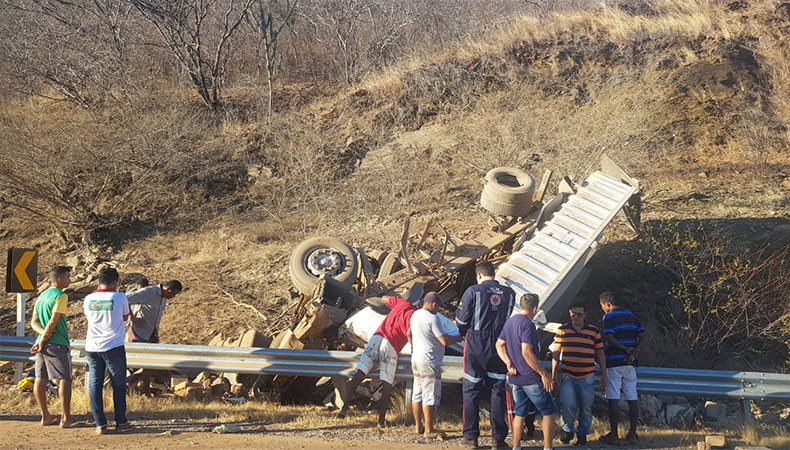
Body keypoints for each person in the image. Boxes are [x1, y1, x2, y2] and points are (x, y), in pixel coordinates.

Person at [456, 261, 516, 449]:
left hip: (476, 343)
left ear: (479, 275)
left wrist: (464, 331)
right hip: (500, 344)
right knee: (497, 389)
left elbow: (461, 322)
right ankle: (498, 439)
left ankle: (471, 437)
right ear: (494, 274)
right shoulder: (509, 293)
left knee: (471, 389)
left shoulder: (473, 291)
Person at [336, 294, 419, 427]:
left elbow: (385, 298)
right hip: (390, 344)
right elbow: (409, 333)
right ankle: (381, 419)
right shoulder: (416, 316)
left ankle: (344, 409)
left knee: (360, 372)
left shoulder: (401, 303)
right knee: (387, 382)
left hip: (377, 337)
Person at [496, 293, 557, 450]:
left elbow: (499, 344)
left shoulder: (510, 322)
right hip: (530, 376)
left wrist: (508, 363)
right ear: (535, 309)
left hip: (516, 377)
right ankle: (548, 447)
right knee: (549, 410)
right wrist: (543, 373)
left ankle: (516, 446)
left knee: (520, 412)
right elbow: (527, 352)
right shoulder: (527, 325)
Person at [407, 291, 463, 439]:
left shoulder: (415, 315)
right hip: (430, 361)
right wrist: (457, 338)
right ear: (433, 304)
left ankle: (418, 425)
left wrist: (415, 347)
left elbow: (408, 334)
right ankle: (429, 429)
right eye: (438, 306)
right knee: (429, 396)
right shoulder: (433, 319)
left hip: (416, 359)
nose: (438, 310)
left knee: (417, 394)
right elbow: (443, 340)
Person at [551, 302, 607, 446]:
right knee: (567, 404)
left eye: (579, 314)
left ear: (585, 316)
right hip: (568, 374)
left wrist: (604, 375)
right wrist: (554, 373)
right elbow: (556, 353)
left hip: (587, 374)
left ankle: (583, 434)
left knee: (586, 407)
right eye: (573, 314)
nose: (575, 317)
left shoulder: (593, 331)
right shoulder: (563, 330)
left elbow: (600, 354)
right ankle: (568, 430)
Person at [83, 266, 131, 435]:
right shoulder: (120, 297)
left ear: (98, 280)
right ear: (115, 281)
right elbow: (126, 316)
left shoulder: (88, 299)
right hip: (114, 346)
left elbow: (88, 317)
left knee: (95, 384)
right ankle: (121, 421)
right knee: (118, 384)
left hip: (92, 346)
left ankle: (99, 423)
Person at [30, 266, 75, 428]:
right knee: (65, 378)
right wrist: (46, 337)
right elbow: (53, 321)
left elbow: (33, 321)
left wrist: (41, 337)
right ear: (59, 279)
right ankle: (66, 418)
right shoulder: (61, 296)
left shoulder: (42, 296)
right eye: (68, 277)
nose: (70, 280)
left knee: (40, 378)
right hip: (58, 342)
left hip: (42, 343)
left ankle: (45, 416)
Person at [598, 291, 645, 445]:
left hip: (614, 361)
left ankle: (614, 434)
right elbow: (642, 335)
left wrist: (625, 349)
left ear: (608, 305)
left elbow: (609, 337)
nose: (603, 309)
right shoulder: (632, 316)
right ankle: (632, 433)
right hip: (630, 363)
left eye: (603, 306)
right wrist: (635, 350)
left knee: (613, 397)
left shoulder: (609, 317)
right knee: (632, 397)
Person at [125, 280, 182, 395]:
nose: (173, 297)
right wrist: (133, 318)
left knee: (150, 365)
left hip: (151, 333)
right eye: (173, 294)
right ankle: (129, 384)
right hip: (138, 333)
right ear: (167, 289)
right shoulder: (148, 292)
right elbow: (125, 299)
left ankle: (141, 389)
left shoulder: (163, 298)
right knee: (145, 364)